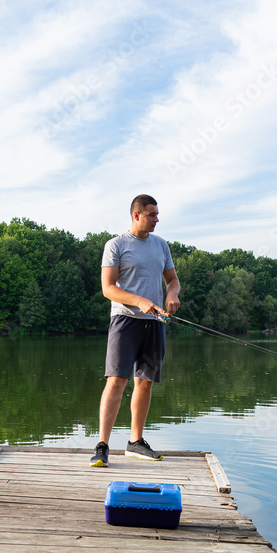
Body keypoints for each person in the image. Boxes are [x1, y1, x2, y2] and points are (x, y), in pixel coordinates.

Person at [90, 194, 180, 467]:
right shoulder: (116, 245)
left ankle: (135, 442)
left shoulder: (161, 245)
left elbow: (173, 280)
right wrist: (140, 301)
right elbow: (108, 288)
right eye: (152, 214)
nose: (157, 219)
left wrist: (172, 295)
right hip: (125, 320)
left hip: (155, 322)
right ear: (137, 215)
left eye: (157, 214)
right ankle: (102, 445)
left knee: (145, 382)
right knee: (117, 380)